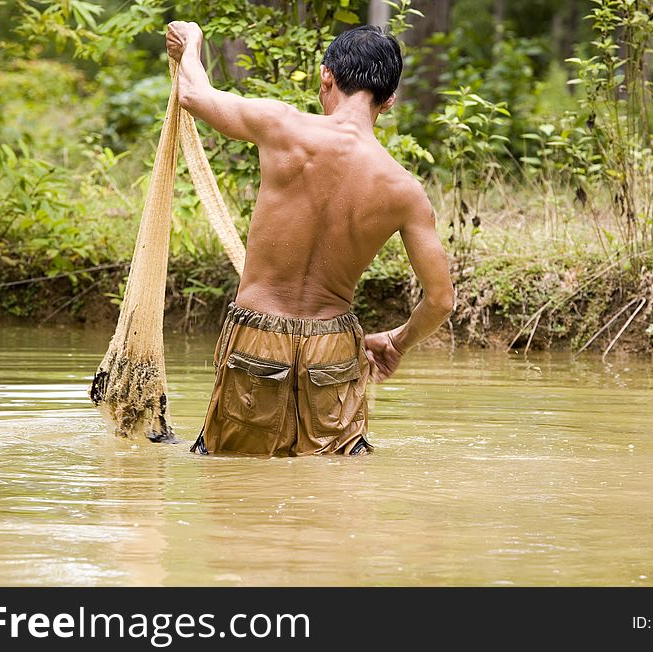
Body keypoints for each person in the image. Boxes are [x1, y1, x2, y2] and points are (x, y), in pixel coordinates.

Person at [166, 21, 455, 456]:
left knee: (232, 479)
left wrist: (192, 43)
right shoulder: (404, 190)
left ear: (326, 76)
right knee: (332, 492)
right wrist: (396, 342)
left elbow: (193, 94)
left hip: (254, 339)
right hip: (333, 351)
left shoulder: (282, 126)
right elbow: (441, 301)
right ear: (389, 100)